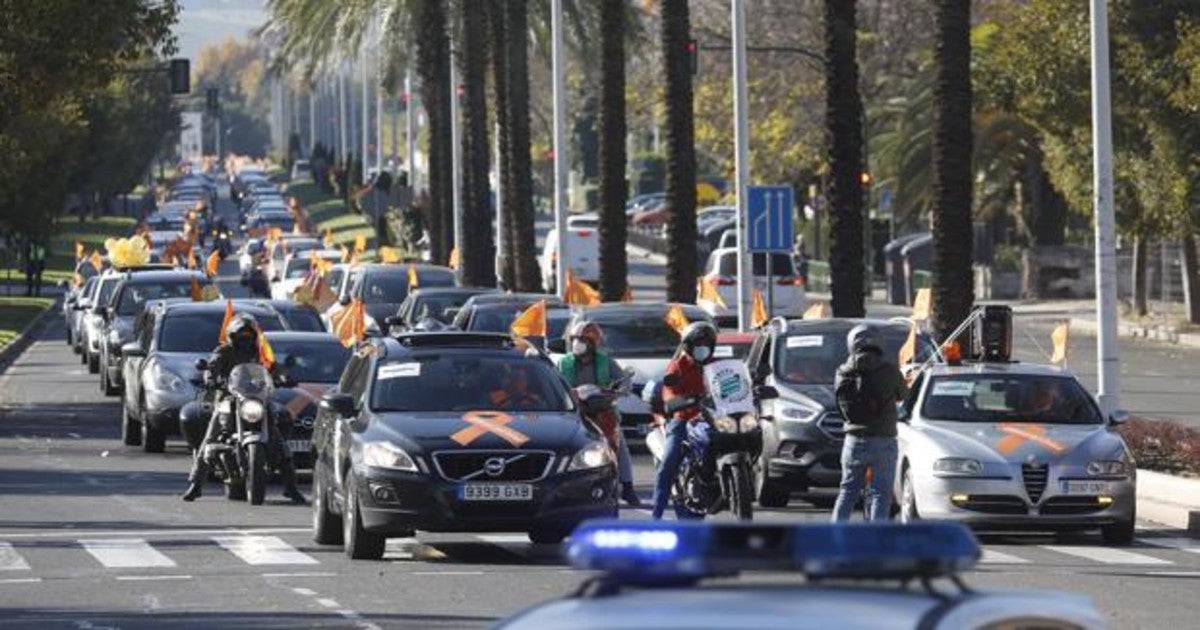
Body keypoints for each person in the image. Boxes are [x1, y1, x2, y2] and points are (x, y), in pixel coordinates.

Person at [181, 314, 306, 504]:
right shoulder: (224, 351)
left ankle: (291, 488)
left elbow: (272, 367)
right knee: (209, 439)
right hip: (228, 399)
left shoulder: (260, 352)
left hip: (256, 400)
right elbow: (212, 366)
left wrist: (283, 377)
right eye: (241, 336)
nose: (245, 340)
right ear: (232, 336)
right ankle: (195, 485)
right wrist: (210, 377)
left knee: (280, 443)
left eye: (249, 336)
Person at [557, 322, 641, 507]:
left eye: (583, 340)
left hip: (603, 410)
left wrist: (619, 391)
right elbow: (556, 385)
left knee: (621, 447)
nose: (578, 343)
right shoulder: (564, 362)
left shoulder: (606, 361)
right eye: (575, 339)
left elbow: (624, 383)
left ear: (593, 343)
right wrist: (572, 394)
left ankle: (627, 488)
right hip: (576, 414)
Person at [831, 324, 907, 522]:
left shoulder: (842, 371)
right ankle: (875, 539)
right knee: (880, 495)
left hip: (854, 440)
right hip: (883, 440)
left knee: (847, 492)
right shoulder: (889, 370)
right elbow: (903, 395)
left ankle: (833, 537)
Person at [651, 321, 717, 520]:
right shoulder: (678, 365)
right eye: (697, 343)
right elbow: (668, 391)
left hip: (712, 421)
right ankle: (656, 513)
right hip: (683, 420)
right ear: (688, 346)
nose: (702, 347)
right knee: (669, 463)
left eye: (706, 343)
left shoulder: (717, 365)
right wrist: (677, 401)